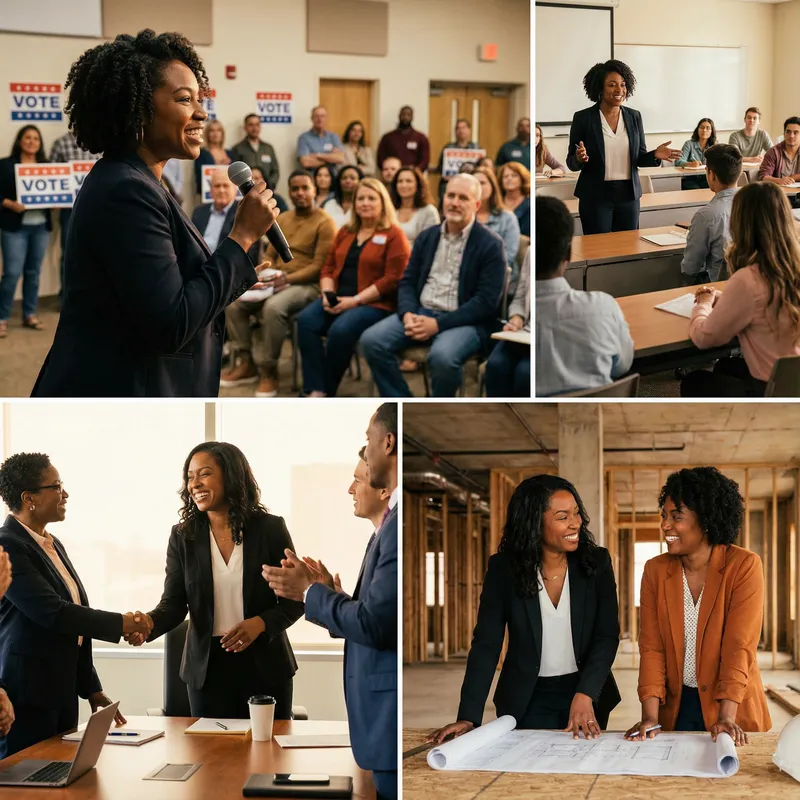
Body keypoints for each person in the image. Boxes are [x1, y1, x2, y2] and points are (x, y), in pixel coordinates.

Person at [31, 30, 279, 398]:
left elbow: (158, 291)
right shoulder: (126, 190)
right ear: (137, 109)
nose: (201, 112)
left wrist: (237, 269)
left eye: (200, 98)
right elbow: (169, 323)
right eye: (184, 99)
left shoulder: (137, 180)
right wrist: (241, 239)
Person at [263, 404, 398, 800]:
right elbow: (371, 620)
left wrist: (309, 592)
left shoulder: (393, 530)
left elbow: (374, 626)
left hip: (385, 719)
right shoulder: (380, 534)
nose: (351, 488)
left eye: (358, 478)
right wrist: (331, 598)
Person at [427, 475, 620, 743]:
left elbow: (607, 635)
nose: (575, 523)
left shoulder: (596, 563)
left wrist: (586, 694)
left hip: (586, 694)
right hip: (525, 699)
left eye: (576, 513)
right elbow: (486, 644)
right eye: (563, 516)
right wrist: (469, 716)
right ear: (534, 522)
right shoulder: (504, 570)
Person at [126, 442, 304, 720]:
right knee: (211, 758)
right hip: (207, 672)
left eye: (204, 474)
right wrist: (148, 625)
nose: (194, 484)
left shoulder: (270, 529)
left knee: (268, 758)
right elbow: (173, 604)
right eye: (190, 476)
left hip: (266, 666)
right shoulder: (183, 536)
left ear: (231, 476)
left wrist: (259, 623)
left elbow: (295, 600)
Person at [0, 452, 152, 758]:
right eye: (56, 486)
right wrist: (124, 623)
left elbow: (74, 627)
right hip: (26, 695)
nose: (64, 493)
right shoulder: (8, 545)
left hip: (62, 691)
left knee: (61, 776)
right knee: (26, 781)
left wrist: (91, 689)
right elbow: (53, 612)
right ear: (29, 498)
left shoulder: (52, 544)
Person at [624, 468, 771, 743]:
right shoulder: (655, 570)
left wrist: (726, 717)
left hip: (731, 707)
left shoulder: (743, 566)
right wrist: (651, 717)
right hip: (674, 708)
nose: (665, 525)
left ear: (705, 520)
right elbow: (652, 647)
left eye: (676, 517)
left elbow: (738, 646)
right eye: (664, 516)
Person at [361, 174, 506, 398]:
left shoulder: (491, 244)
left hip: (464, 321)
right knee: (371, 341)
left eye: (463, 198)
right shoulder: (427, 237)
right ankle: (403, 401)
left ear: (477, 205)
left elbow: (485, 303)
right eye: (450, 195)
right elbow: (407, 280)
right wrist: (408, 313)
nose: (454, 202)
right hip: (420, 312)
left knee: (443, 358)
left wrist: (438, 324)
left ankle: (438, 404)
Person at [221, 170, 336, 398]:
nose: (300, 193)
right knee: (233, 303)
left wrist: (287, 279)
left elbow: (319, 266)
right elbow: (270, 255)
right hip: (276, 280)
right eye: (295, 189)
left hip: (307, 285)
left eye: (305, 188)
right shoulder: (282, 218)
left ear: (315, 190)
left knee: (273, 308)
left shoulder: (325, 222)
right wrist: (271, 273)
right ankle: (246, 362)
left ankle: (269, 369)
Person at [680, 181, 800, 397]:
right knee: (726, 366)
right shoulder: (791, 267)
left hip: (771, 392)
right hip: (792, 383)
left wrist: (704, 305)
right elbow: (765, 304)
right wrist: (725, 298)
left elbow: (704, 338)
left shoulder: (749, 279)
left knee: (695, 381)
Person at [296, 178, 410, 397]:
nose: (365, 203)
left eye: (371, 198)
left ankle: (326, 391)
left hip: (375, 303)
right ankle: (315, 389)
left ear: (382, 202)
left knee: (341, 330)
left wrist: (356, 301)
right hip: (338, 298)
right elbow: (328, 267)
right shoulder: (346, 232)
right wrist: (327, 294)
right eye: (360, 198)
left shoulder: (394, 234)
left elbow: (393, 279)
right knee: (306, 321)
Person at [535, 195, 633, 396]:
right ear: (568, 255)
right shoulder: (604, 306)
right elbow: (623, 365)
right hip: (600, 417)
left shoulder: (519, 320)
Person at [567, 61, 681, 234]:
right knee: (598, 249)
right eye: (612, 85)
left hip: (628, 195)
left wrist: (655, 155)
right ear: (599, 88)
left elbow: (640, 157)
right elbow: (571, 162)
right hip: (595, 196)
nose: (619, 90)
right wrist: (578, 158)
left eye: (623, 85)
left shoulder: (634, 116)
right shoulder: (583, 118)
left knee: (628, 248)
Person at [0, 125, 51, 339]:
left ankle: (29, 313)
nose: (32, 142)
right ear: (20, 140)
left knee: (33, 273)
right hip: (15, 227)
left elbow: (57, 191)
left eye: (36, 139)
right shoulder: (5, 165)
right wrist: (10, 204)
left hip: (40, 227)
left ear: (40, 143)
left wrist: (58, 200)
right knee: (12, 273)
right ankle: (2, 317)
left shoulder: (48, 166)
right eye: (27, 137)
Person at [49, 130, 100, 297]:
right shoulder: (61, 142)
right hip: (69, 209)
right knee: (70, 253)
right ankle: (67, 296)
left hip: (97, 206)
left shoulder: (100, 141)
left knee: (98, 252)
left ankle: (93, 295)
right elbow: (51, 173)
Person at [680, 144, 741, 285]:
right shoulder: (757, 203)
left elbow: (691, 267)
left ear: (711, 174)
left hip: (719, 288)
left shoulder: (706, 215)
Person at [486, 249, 530, 397]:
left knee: (525, 373)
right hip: (523, 332)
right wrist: (516, 317)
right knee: (495, 365)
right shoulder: (530, 251)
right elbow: (519, 297)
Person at [474, 166, 520, 284]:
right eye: (475, 184)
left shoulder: (507, 218)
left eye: (482, 183)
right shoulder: (464, 216)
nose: (478, 187)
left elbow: (508, 258)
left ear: (492, 187)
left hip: (498, 278)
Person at [191, 169, 239, 252]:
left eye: (225, 186)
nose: (221, 190)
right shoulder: (199, 212)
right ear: (210, 190)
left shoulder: (241, 213)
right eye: (217, 186)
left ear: (235, 190)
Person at [390, 166, 440, 245]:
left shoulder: (429, 211)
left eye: (408, 181)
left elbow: (430, 244)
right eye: (400, 181)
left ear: (418, 185)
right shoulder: (390, 209)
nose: (403, 185)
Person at [230, 113, 280, 188]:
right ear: (245, 127)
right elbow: (235, 173)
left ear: (260, 127)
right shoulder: (237, 148)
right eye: (251, 125)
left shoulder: (268, 148)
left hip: (266, 189)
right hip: (246, 192)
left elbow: (275, 171)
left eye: (257, 125)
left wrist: (270, 185)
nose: (254, 128)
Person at [435, 118, 478, 203]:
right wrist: (445, 175)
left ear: (469, 130)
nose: (460, 130)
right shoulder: (448, 148)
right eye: (458, 128)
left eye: (463, 128)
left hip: (470, 183)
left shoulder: (476, 149)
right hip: (450, 182)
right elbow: (440, 168)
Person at [377, 106, 430, 172]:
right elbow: (381, 159)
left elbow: (425, 161)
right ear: (399, 116)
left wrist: (415, 171)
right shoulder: (387, 137)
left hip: (414, 176)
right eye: (403, 114)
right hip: (392, 176)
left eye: (408, 115)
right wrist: (390, 170)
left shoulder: (421, 138)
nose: (405, 117)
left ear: (412, 117)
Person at [297, 106, 344, 172]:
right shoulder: (304, 138)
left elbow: (340, 159)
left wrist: (317, 155)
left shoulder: (334, 136)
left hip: (332, 177)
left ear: (327, 118)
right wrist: (331, 158)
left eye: (323, 116)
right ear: (311, 119)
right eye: (316, 116)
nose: (320, 119)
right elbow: (306, 163)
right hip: (313, 178)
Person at [194, 119, 234, 195]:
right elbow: (199, 178)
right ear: (207, 134)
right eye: (212, 131)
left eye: (218, 130)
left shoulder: (229, 153)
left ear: (222, 133)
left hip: (228, 194)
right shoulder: (201, 153)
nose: (215, 134)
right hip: (208, 195)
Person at [675, 118, 717, 190]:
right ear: (697, 129)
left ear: (712, 131)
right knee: (695, 189)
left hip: (707, 178)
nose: (704, 130)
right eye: (702, 127)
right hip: (690, 179)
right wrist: (690, 164)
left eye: (708, 128)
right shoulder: (689, 144)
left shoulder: (714, 146)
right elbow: (678, 161)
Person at [758, 117, 800, 186]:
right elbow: (763, 176)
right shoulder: (773, 152)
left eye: (795, 133)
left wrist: (793, 177)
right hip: (777, 194)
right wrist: (779, 180)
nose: (791, 136)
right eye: (788, 132)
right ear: (784, 134)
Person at [322, 164, 364, 230]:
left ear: (360, 181)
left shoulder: (364, 205)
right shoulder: (329, 204)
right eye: (344, 178)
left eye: (352, 178)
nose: (348, 181)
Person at [498, 161, 531, 237]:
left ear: (522, 178)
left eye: (514, 175)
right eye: (505, 176)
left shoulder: (530, 203)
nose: (509, 178)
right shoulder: (496, 202)